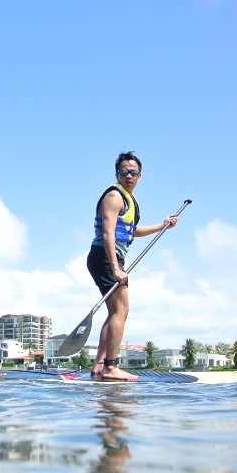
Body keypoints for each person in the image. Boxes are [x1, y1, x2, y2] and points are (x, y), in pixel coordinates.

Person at [86, 152, 178, 381]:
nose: (129, 175)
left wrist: (162, 226)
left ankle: (100, 364)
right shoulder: (115, 196)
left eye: (133, 172)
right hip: (106, 258)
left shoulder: (129, 200)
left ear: (140, 176)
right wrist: (116, 268)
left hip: (110, 259)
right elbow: (107, 233)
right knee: (121, 310)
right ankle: (111, 367)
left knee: (114, 311)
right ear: (117, 174)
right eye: (124, 171)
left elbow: (131, 231)